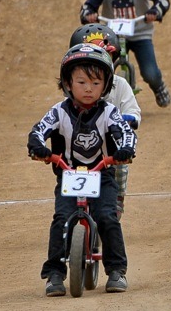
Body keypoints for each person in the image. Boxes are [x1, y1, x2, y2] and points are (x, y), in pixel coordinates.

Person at [27, 43, 136, 297]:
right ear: (68, 83)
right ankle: (54, 273)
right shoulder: (59, 111)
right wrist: (37, 147)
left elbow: (126, 134)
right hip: (69, 174)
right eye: (82, 82)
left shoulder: (109, 112)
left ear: (107, 85)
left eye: (96, 83)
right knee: (60, 219)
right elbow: (38, 131)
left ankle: (117, 270)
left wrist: (124, 151)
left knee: (108, 217)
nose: (89, 89)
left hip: (102, 174)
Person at [67, 23, 141, 218]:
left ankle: (117, 199)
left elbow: (133, 112)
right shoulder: (75, 87)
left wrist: (128, 118)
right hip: (80, 147)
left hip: (110, 149)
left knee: (120, 165)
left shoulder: (120, 85)